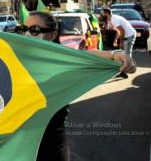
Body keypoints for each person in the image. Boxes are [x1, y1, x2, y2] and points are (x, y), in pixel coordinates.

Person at [18, 11, 136, 161]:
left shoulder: (62, 60)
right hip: (16, 141)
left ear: (53, 34)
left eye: (34, 30)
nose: (27, 34)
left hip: (50, 142)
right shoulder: (16, 56)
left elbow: (87, 55)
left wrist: (115, 55)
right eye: (23, 29)